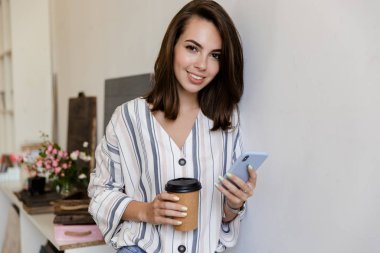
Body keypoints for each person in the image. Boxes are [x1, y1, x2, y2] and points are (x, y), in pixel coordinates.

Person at [88, 1, 257, 252]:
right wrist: (147, 211)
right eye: (192, 48)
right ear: (172, 46)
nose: (202, 64)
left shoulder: (226, 122)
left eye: (215, 55)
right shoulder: (128, 117)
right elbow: (100, 193)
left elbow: (224, 218)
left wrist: (234, 204)